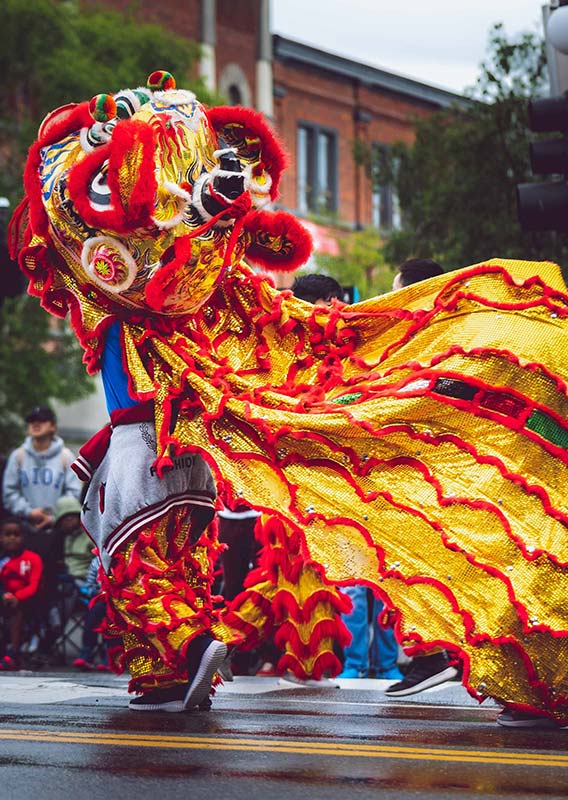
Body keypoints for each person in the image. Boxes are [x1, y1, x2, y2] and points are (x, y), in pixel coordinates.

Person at [11, 72, 568, 729]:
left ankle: (179, 655)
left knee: (142, 558)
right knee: (162, 557)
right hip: (180, 447)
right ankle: (177, 659)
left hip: (153, 446)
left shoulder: (185, 297)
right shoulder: (152, 296)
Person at [2, 405, 81, 531]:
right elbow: (9, 492)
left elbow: (74, 493)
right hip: (24, 529)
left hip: (58, 530)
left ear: (53, 426)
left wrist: (54, 516)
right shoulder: (18, 456)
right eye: (32, 421)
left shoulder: (66, 456)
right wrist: (29, 512)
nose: (36, 424)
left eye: (42, 420)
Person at [0, 516, 43, 669]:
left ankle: (13, 653)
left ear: (23, 537)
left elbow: (34, 585)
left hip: (26, 602)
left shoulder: (32, 559)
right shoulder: (2, 560)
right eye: (7, 534)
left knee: (15, 610)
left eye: (16, 535)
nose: (12, 538)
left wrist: (17, 597)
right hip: (3, 598)